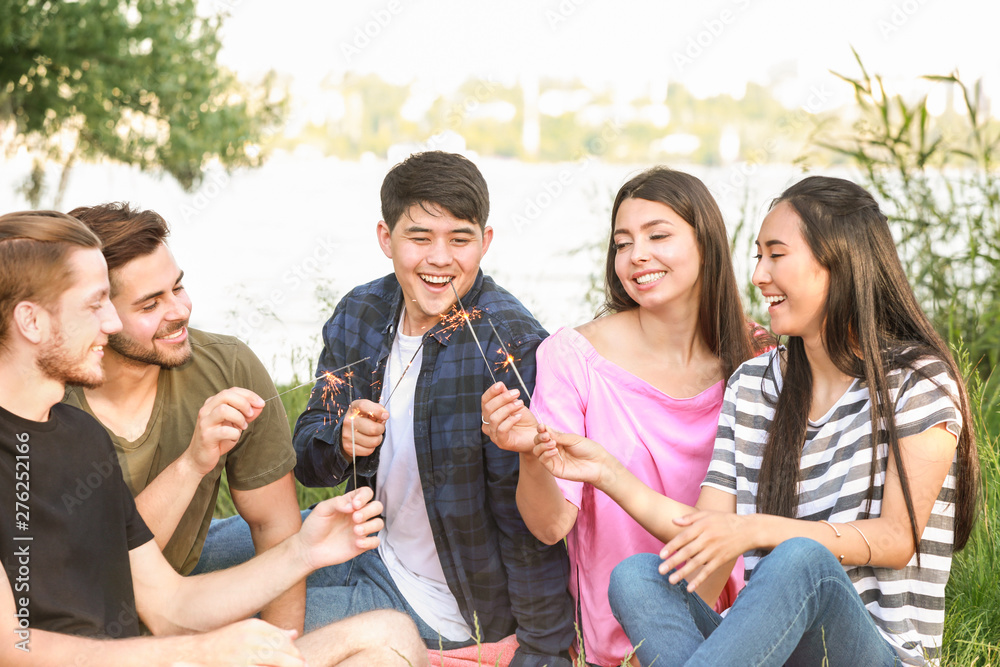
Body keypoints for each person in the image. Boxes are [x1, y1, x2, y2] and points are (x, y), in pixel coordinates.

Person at [529, 176, 979, 666]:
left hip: (877, 652)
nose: (760, 275)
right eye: (758, 256)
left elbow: (896, 538)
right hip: (772, 647)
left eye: (776, 255)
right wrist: (606, 472)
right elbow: (707, 530)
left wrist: (756, 529)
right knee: (637, 578)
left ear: (839, 261)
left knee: (800, 558)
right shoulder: (755, 383)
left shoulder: (916, 382)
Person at [0, 210, 428, 666]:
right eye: (94, 305)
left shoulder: (78, 436)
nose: (110, 322)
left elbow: (168, 605)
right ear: (31, 321)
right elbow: (11, 647)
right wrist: (202, 650)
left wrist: (303, 551)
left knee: (393, 634)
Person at [293, 151, 575, 666]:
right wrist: (340, 441)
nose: (440, 259)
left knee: (245, 620)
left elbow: (530, 522)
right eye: (420, 238)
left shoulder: (509, 343)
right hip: (363, 541)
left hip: (443, 604)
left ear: (486, 241)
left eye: (460, 240)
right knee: (199, 558)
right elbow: (308, 455)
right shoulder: (361, 311)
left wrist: (545, 651)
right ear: (386, 238)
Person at [481, 167, 770, 666]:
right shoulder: (572, 356)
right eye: (622, 243)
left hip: (748, 632)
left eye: (658, 236)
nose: (636, 255)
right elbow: (550, 526)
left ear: (706, 244)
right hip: (619, 641)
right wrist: (530, 453)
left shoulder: (759, 355)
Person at [62, 203, 305, 632]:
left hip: (182, 584)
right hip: (88, 619)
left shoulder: (227, 365)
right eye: (150, 304)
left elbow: (274, 525)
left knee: (333, 544)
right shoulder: (46, 402)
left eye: (177, 287)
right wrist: (192, 463)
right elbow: (92, 574)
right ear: (97, 314)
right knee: (375, 630)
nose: (180, 311)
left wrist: (285, 646)